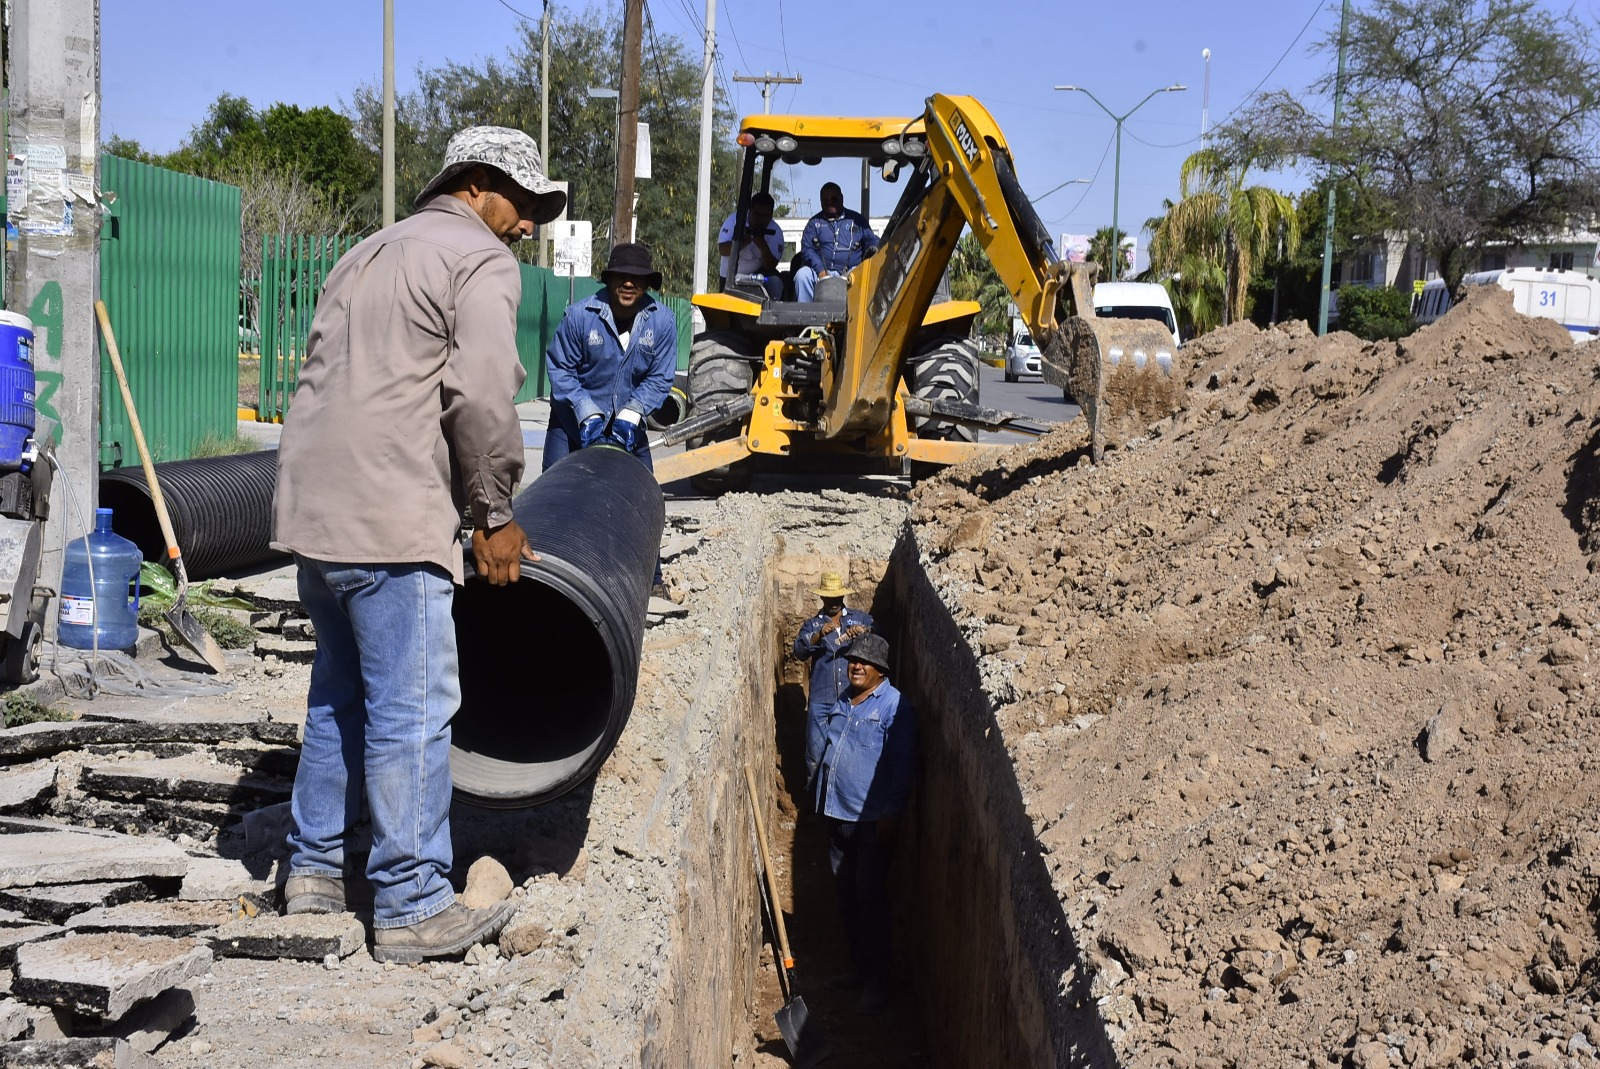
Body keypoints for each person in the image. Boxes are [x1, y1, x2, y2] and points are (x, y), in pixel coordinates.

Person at [272, 126, 564, 962]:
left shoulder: (367, 250)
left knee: (338, 694)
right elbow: (478, 394)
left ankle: (315, 871)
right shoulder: (476, 259)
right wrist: (492, 512)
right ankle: (408, 901)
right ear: (476, 184)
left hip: (316, 511)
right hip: (391, 514)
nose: (528, 227)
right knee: (414, 707)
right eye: (523, 204)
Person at [811, 633, 917, 1016]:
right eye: (853, 660)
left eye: (864, 662)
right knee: (848, 898)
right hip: (838, 815)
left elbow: (904, 765)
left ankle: (877, 982)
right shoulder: (845, 701)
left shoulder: (894, 707)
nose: (855, 666)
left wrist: (892, 812)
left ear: (880, 671)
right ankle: (858, 970)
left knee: (871, 901)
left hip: (872, 822)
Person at [542, 242, 678, 474]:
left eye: (637, 277)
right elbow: (561, 369)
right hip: (571, 424)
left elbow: (659, 377)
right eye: (621, 276)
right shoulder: (579, 317)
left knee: (642, 496)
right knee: (555, 495)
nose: (628, 283)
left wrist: (634, 411)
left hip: (628, 429)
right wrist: (585, 410)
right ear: (609, 279)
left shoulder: (663, 322)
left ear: (646, 284)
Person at [794, 572, 874, 785]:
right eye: (829, 599)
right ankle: (815, 807)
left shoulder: (859, 618)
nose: (833, 603)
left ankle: (838, 804)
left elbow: (878, 636)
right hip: (821, 698)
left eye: (837, 599)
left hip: (851, 699)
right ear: (822, 598)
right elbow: (799, 650)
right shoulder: (813, 624)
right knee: (815, 755)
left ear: (842, 598)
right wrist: (818, 635)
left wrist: (864, 632)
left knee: (847, 754)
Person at [794, 182, 879, 302]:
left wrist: (875, 247)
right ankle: (805, 316)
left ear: (841, 198)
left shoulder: (857, 220)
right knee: (802, 275)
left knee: (862, 276)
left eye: (834, 199)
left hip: (850, 272)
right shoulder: (814, 223)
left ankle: (853, 317)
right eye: (825, 200)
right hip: (821, 272)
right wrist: (821, 270)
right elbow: (807, 249)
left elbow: (872, 240)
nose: (830, 202)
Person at [717, 191, 784, 299]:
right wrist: (743, 242)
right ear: (750, 211)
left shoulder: (775, 231)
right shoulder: (735, 220)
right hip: (730, 276)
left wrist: (762, 245)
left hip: (758, 275)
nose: (760, 220)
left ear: (771, 215)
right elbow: (722, 249)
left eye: (765, 216)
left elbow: (771, 265)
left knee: (775, 282)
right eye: (756, 215)